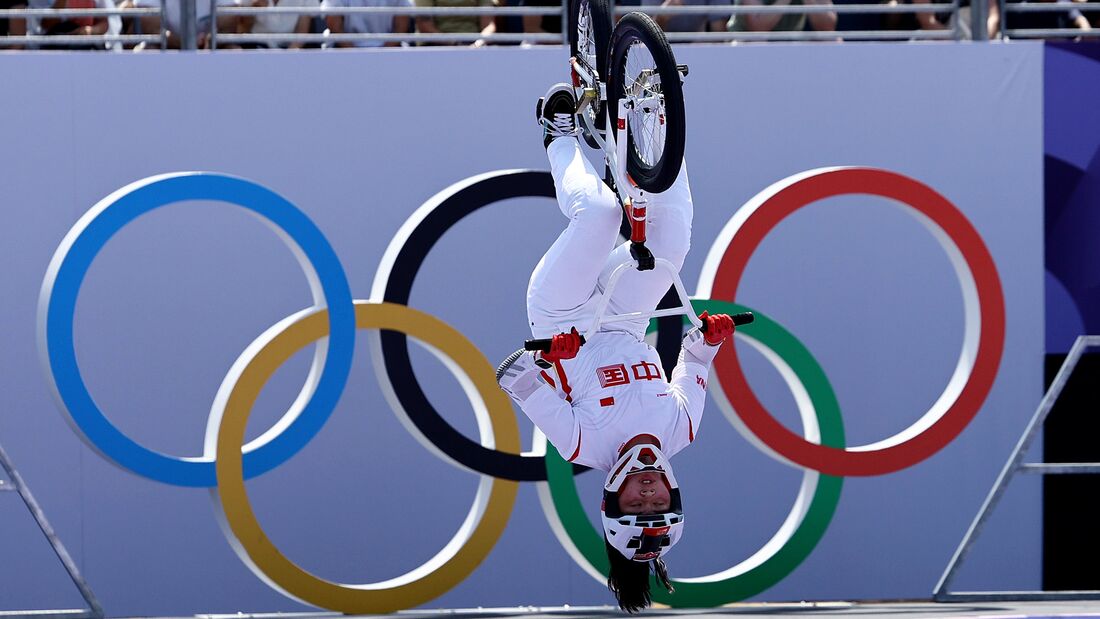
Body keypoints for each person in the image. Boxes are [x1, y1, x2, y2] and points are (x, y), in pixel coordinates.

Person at [496, 83, 737, 613]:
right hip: (626, 318)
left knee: (601, 215)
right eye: (661, 504)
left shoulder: (580, 445)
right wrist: (712, 338)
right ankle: (650, 123)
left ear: (612, 501)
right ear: (675, 495)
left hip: (562, 313)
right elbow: (694, 357)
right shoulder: (683, 429)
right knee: (673, 239)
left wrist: (550, 357)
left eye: (638, 505)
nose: (649, 492)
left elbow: (514, 378)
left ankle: (557, 137)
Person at [322, 0, 411, 47]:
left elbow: (401, 28)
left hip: (389, 50)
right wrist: (356, 55)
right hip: (343, 49)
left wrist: (380, 54)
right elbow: (334, 27)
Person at [237, 0, 320, 48]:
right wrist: (253, 10)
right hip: (255, 48)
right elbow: (242, 32)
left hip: (289, 52)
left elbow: (302, 33)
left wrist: (286, 58)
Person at [413, 0, 496, 45]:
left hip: (473, 44)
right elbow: (424, 26)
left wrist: (478, 44)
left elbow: (488, 25)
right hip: (436, 45)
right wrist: (455, 43)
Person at [728, 0, 837, 34]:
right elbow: (758, 28)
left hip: (791, 43)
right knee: (759, 42)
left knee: (833, 40)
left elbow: (827, 26)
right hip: (745, 42)